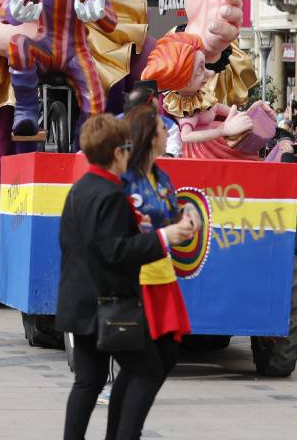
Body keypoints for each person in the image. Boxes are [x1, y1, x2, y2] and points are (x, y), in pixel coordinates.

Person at [56, 114, 196, 440]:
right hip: (106, 303)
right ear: (118, 153)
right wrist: (164, 238)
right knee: (147, 370)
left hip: (80, 303)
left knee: (88, 382)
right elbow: (115, 251)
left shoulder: (81, 189)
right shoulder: (109, 195)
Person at [121, 106, 193, 373]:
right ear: (151, 137)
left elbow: (171, 218)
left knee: (166, 354)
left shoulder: (161, 177)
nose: (169, 133)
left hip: (163, 274)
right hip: (135, 279)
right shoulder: (124, 178)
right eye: (164, 129)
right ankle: (115, 389)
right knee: (138, 360)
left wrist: (185, 221)